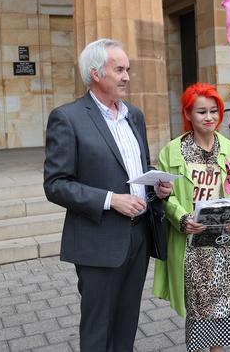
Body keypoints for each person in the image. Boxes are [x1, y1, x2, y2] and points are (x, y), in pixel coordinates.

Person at [43, 38, 172, 352]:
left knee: (126, 324)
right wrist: (111, 199)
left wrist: (156, 186)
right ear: (95, 73)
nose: (127, 76)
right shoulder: (68, 117)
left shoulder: (134, 116)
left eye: (128, 69)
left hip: (139, 237)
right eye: (119, 69)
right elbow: (56, 184)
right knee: (98, 330)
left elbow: (135, 167)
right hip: (98, 240)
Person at [153, 82, 230, 352]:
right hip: (192, 244)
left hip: (222, 242)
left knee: (223, 307)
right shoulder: (172, 151)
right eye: (201, 112)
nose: (210, 117)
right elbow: (165, 195)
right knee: (199, 310)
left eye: (214, 111)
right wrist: (181, 218)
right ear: (188, 114)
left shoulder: (228, 146)